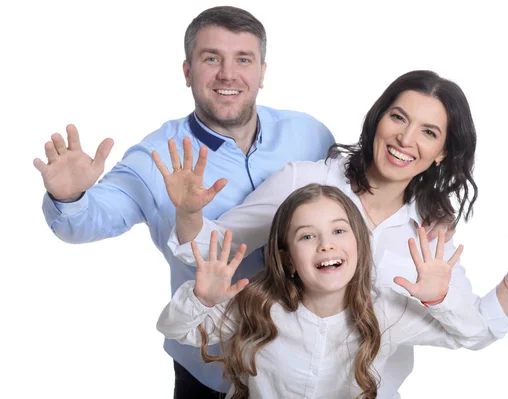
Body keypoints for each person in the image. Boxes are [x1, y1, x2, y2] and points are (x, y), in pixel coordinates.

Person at [155, 70, 508, 395]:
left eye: (428, 132)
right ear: (379, 119)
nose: (405, 138)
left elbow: (475, 329)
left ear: (442, 153)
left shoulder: (430, 232)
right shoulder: (306, 182)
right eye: (398, 117)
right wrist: (190, 213)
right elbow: (211, 254)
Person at [32, 6, 335, 398]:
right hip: (210, 371)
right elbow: (86, 222)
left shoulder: (310, 134)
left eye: (243, 59)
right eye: (211, 59)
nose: (228, 74)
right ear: (188, 72)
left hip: (307, 371)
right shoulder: (156, 157)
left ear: (262, 72)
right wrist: (69, 195)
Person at [157, 183, 508, 398]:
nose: (326, 244)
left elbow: (477, 332)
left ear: (358, 243)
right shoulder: (256, 305)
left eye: (339, 231)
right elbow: (175, 328)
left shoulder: (386, 311)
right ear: (285, 258)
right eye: (307, 236)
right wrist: (202, 297)